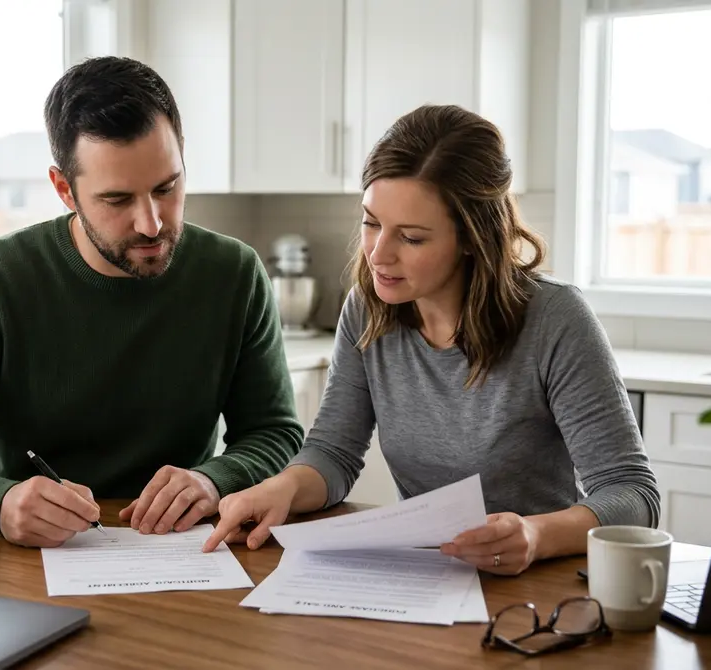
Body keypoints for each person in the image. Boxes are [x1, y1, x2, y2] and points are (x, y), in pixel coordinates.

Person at [203, 104, 660, 575]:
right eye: (371, 222)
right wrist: (284, 487)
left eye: (413, 238)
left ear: (472, 238)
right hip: (427, 574)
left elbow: (632, 494)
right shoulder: (367, 310)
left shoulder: (554, 318)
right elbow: (334, 454)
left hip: (540, 582)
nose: (379, 254)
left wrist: (535, 535)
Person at [0, 56, 304, 548]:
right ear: (65, 190)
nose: (152, 223)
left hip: (185, 556)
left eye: (167, 188)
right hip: (23, 563)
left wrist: (214, 480)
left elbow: (276, 434)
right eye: (118, 200)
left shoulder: (235, 274)